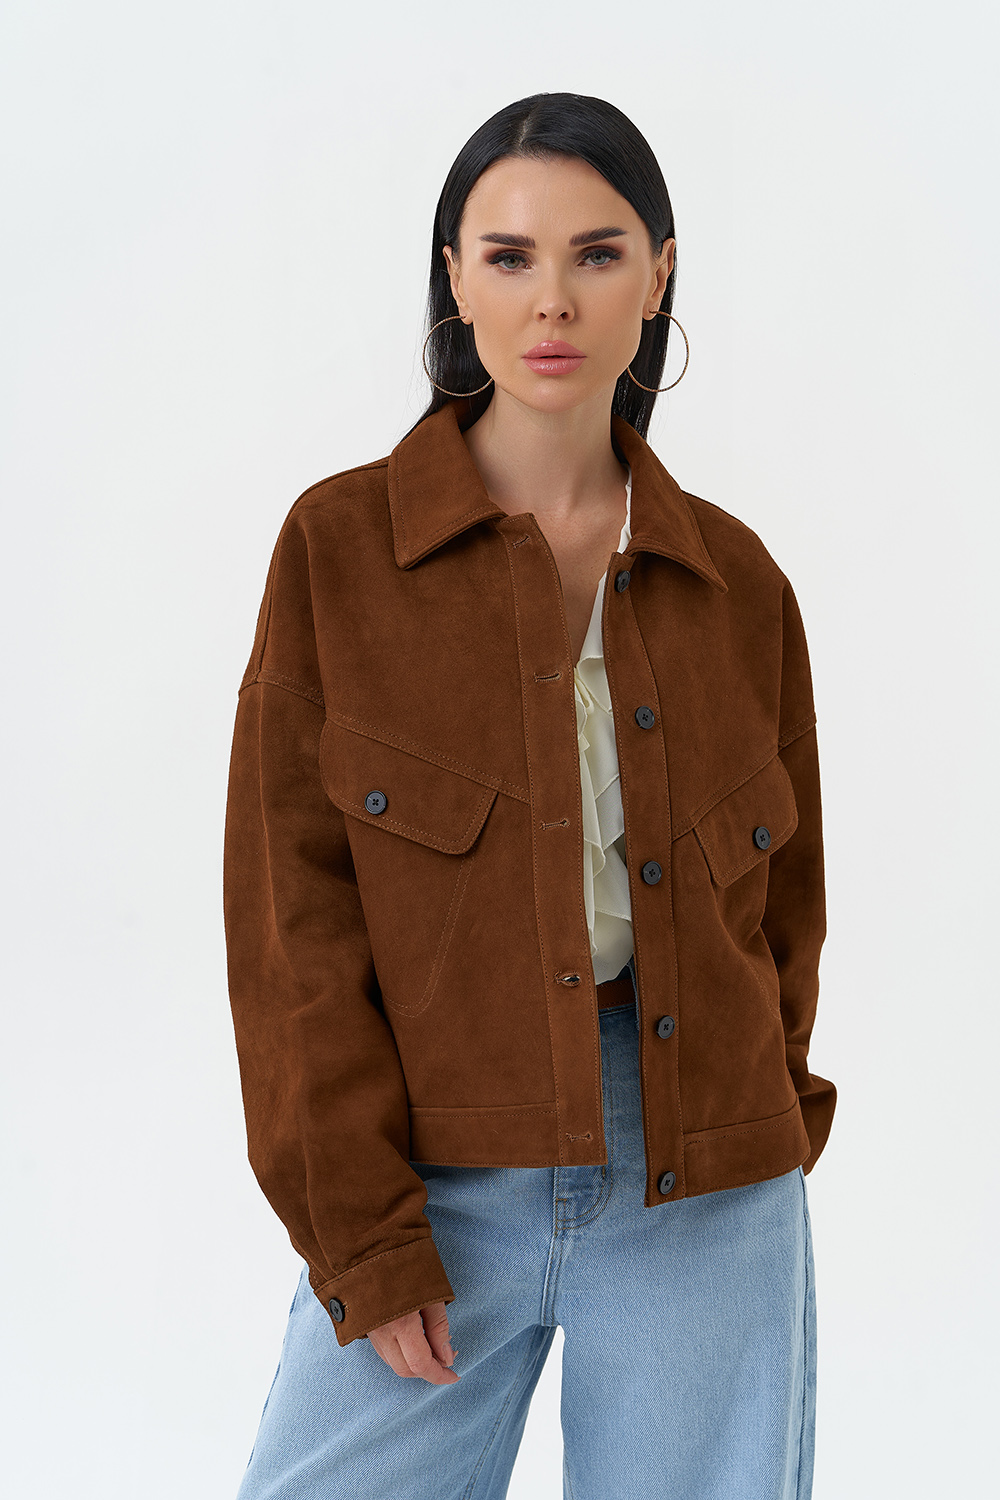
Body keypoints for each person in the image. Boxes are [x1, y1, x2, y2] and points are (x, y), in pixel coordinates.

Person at [223, 91, 837, 1500]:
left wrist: (765, 1129)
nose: (552, 300)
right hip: (434, 1172)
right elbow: (290, 931)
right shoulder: (339, 551)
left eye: (597, 254)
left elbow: (784, 919)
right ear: (456, 278)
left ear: (659, 275)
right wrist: (364, 1233)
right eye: (508, 257)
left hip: (706, 1182)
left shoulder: (740, 585)